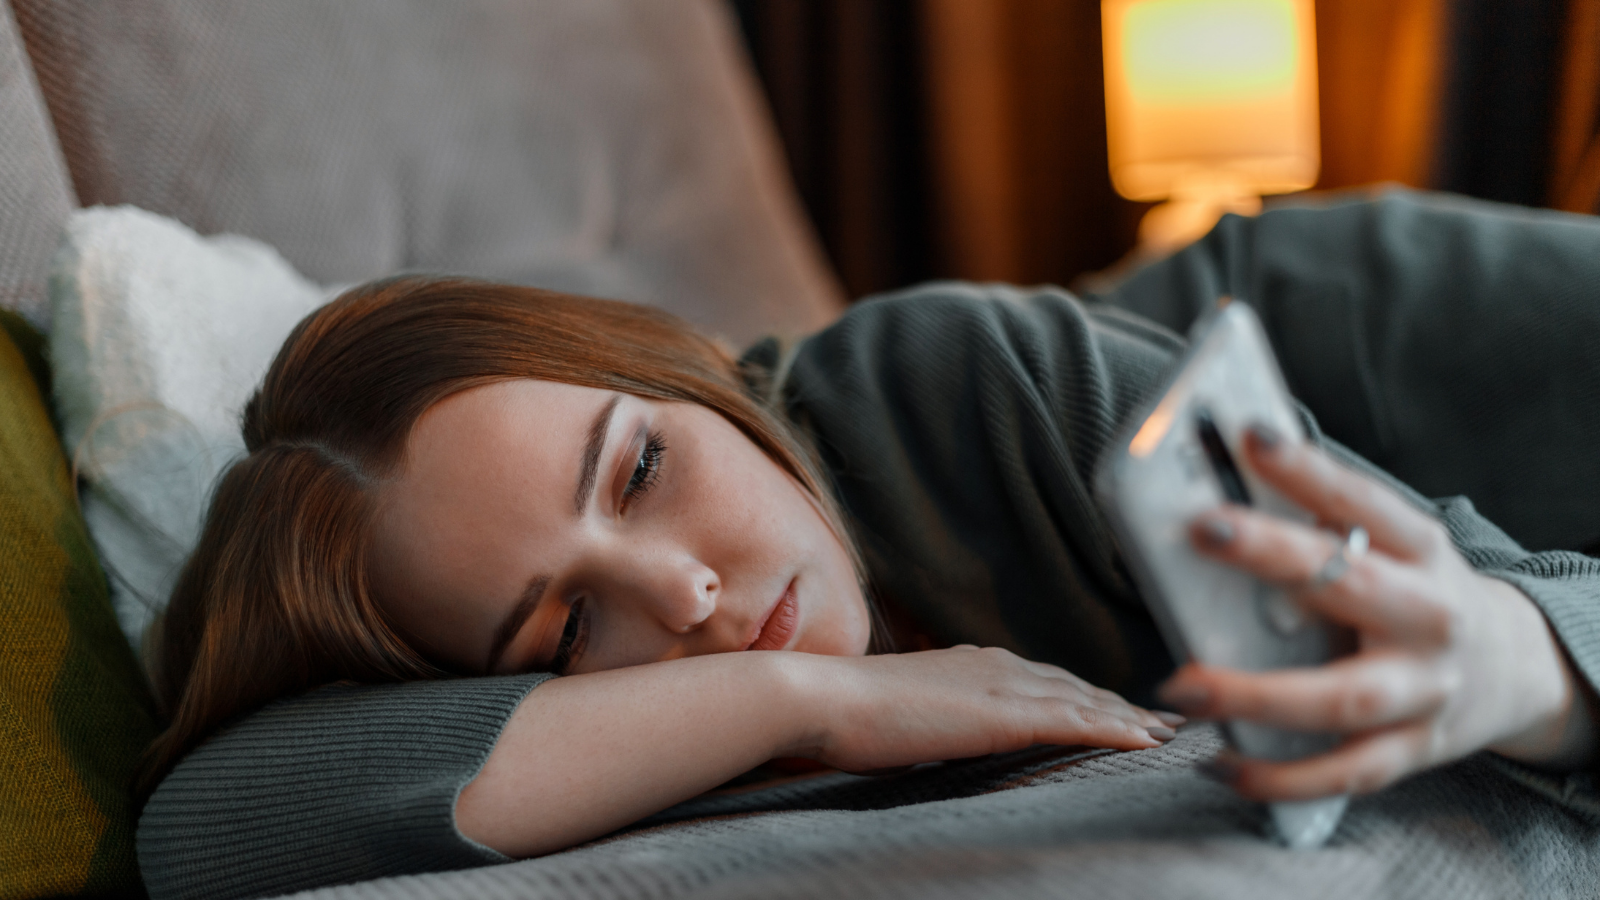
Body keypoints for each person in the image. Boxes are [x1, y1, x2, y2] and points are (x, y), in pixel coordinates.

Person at [136, 189, 1600, 900]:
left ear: (688, 370)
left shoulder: (974, 383)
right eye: (568, 630)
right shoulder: (638, 732)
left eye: (641, 468)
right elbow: (205, 829)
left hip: (1374, 338)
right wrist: (802, 698)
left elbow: (1523, 597)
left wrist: (1517, 661)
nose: (684, 592)